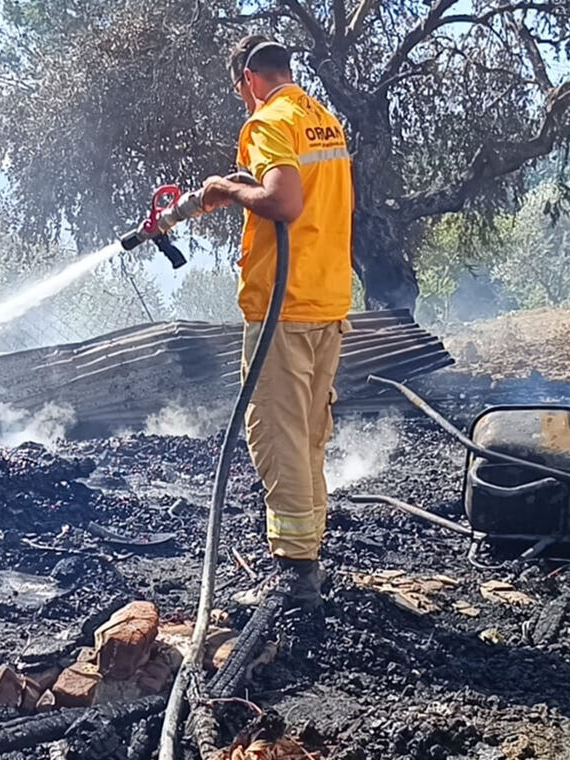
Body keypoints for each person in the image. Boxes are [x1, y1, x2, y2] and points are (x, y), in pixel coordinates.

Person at [200, 36, 354, 607]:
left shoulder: (269, 121)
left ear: (248, 79)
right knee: (308, 435)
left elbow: (284, 203)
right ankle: (307, 555)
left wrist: (225, 188)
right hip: (326, 301)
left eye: (240, 90)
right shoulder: (323, 120)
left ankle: (295, 572)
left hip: (284, 311)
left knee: (276, 434)